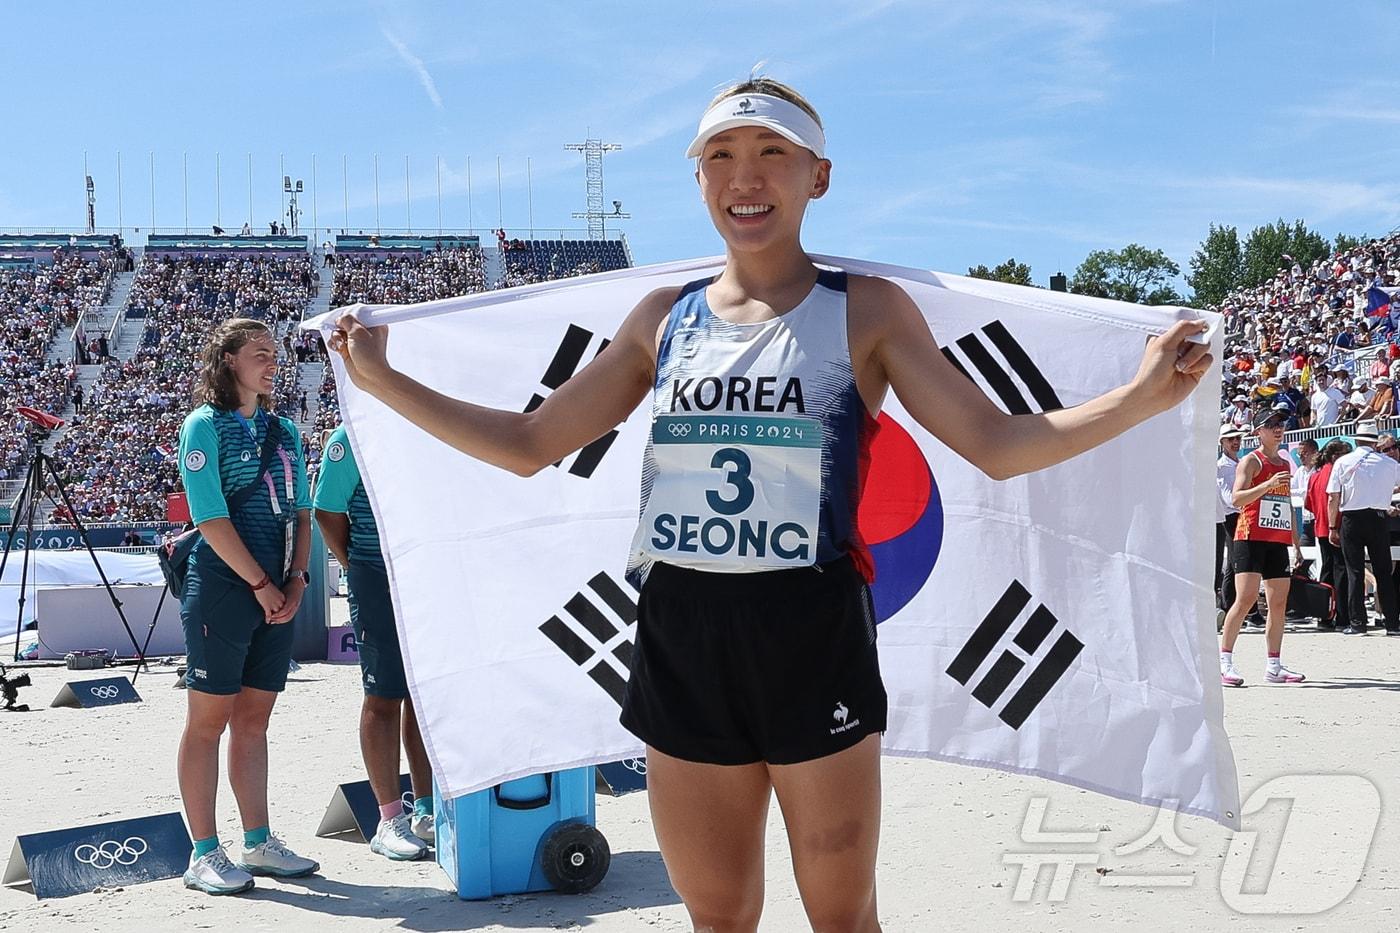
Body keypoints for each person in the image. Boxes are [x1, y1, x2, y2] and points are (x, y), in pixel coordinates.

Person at [328, 75, 1214, 932]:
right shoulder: (658, 319)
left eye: (771, 152)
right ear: (698, 174)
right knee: (718, 916)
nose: (745, 175)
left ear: (816, 176)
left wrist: (1137, 399)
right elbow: (529, 446)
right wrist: (385, 382)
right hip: (681, 628)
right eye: (721, 154)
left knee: (842, 916)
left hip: (809, 629)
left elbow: (995, 443)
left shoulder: (866, 310)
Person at [176, 317, 318, 895]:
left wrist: (299, 581)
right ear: (229, 360)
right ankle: (203, 853)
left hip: (279, 589)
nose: (272, 358)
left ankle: (257, 841)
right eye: (259, 351)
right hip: (225, 589)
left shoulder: (285, 430)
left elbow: (303, 513)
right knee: (207, 723)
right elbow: (209, 517)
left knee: (254, 721)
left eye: (275, 351)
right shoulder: (203, 426)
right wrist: (262, 584)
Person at [313, 424, 435, 861]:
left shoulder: (429, 418)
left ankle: (426, 809)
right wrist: (360, 566)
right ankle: (389, 819)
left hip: (427, 573)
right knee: (383, 696)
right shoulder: (352, 435)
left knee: (425, 697)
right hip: (375, 575)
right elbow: (327, 512)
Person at [1219, 409, 1306, 687]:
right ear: (1259, 432)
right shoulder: (1250, 461)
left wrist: (1296, 542)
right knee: (1244, 601)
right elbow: (1236, 498)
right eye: (1271, 425)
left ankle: (1274, 665)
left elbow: (1286, 505)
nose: (1278, 429)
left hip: (1276, 539)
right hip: (1249, 536)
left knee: (1278, 604)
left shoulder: (1284, 463)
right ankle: (1225, 662)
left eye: (1280, 424)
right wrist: (1266, 484)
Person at [1327, 421, 1400, 635]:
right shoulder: (1388, 463)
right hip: (1378, 518)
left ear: (1357, 439)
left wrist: (1333, 526)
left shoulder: (1343, 462)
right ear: (1375, 441)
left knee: (1355, 571)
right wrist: (1384, 491)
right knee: (1383, 571)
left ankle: (1358, 623)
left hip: (1352, 518)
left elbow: (1333, 497)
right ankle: (1392, 623)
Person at [1306, 439, 1354, 631]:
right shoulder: (1338, 475)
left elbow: (1308, 503)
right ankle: (1343, 616)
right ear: (1336, 457)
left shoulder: (1315, 475)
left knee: (1326, 571)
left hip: (1321, 528)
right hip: (1338, 527)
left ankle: (1324, 615)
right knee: (1342, 572)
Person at [1216, 423, 1245, 624]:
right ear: (1222, 443)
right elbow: (1229, 498)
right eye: (1231, 439)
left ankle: (1233, 608)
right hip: (1233, 516)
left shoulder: (1238, 463)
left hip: (1239, 514)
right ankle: (1231, 607)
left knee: (1237, 564)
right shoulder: (1223, 467)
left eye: (1237, 439)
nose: (1235, 442)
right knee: (1236, 563)